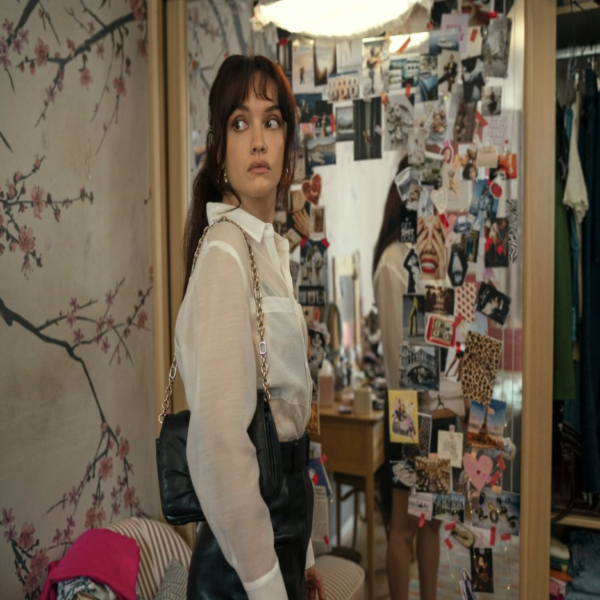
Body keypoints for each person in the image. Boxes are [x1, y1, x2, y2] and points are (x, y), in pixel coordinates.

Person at [175, 55, 326, 600]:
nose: (258, 141)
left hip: (283, 532)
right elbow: (220, 445)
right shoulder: (225, 253)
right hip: (241, 574)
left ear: (287, 145)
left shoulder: (266, 251)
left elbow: (283, 422)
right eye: (240, 123)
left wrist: (302, 554)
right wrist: (267, 586)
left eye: (272, 121)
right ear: (219, 150)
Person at [373, 155, 442, 600]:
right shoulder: (392, 263)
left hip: (441, 407)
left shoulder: (438, 259)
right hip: (409, 410)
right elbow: (399, 359)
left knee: (431, 521)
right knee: (403, 526)